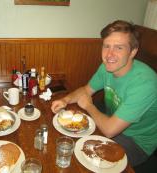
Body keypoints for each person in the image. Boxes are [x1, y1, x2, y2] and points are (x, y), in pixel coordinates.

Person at [51, 20, 157, 166]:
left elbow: (109, 130)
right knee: (65, 140)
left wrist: (89, 106)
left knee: (80, 158)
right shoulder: (108, 66)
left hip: (137, 142)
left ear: (133, 52)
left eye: (119, 48)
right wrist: (65, 100)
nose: (109, 54)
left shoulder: (145, 83)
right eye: (107, 46)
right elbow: (86, 90)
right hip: (111, 122)